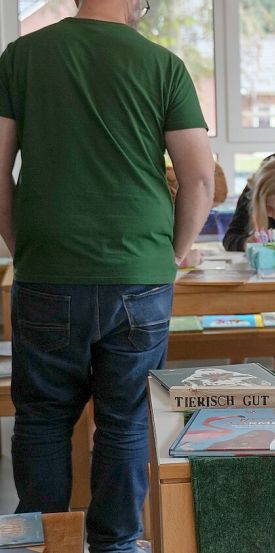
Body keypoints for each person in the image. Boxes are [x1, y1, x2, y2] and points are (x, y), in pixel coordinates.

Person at [0, 1, 215, 551]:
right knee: (123, 422)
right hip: (138, 275)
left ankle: (43, 542)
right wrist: (173, 254)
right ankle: (116, 544)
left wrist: (23, 248)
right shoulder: (162, 65)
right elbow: (198, 179)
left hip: (48, 269)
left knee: (44, 420)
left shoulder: (21, 56)